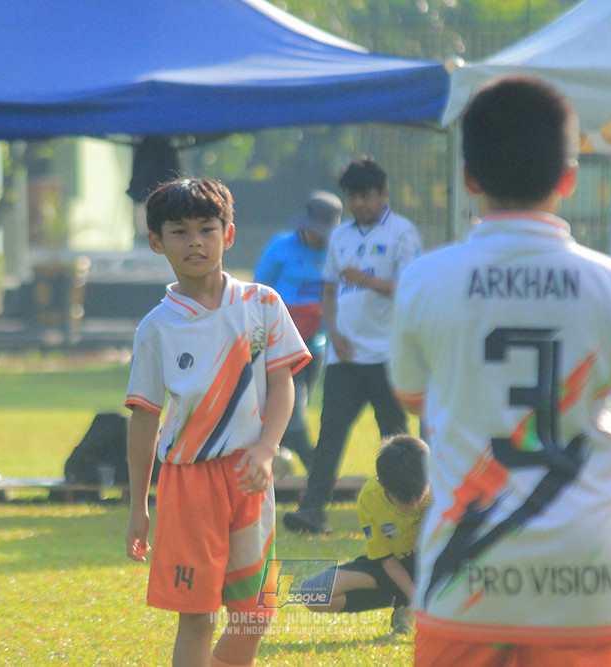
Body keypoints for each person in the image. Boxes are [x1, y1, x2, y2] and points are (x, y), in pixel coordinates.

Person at [389, 75, 611, 666]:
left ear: (469, 179)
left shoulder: (424, 280)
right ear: (570, 178)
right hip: (590, 580)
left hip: (465, 580)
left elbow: (412, 394)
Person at [124, 177, 312, 667]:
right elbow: (144, 418)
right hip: (189, 484)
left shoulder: (263, 303)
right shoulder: (156, 328)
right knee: (198, 617)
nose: (195, 242)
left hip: (251, 477)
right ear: (156, 242)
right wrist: (139, 504)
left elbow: (282, 383)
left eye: (207, 229)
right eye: (180, 232)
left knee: (255, 614)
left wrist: (268, 449)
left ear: (228, 234)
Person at [283, 157, 422, 535]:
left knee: (396, 439)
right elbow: (330, 290)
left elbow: (410, 288)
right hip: (344, 356)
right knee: (329, 436)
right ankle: (312, 511)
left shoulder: (402, 233)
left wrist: (367, 280)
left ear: (383, 193)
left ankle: (409, 510)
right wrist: (335, 333)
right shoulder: (340, 236)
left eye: (367, 195)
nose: (360, 203)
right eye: (353, 196)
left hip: (388, 355)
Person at [298, 434, 431, 635]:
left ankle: (425, 605)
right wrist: (416, 597)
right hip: (395, 565)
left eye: (419, 497)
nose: (413, 506)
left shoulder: (444, 486)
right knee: (312, 593)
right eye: (403, 500)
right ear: (382, 484)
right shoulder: (369, 497)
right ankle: (405, 603)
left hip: (435, 563)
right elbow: (385, 558)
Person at [253, 191, 342, 473]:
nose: (317, 237)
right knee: (293, 413)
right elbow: (259, 291)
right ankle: (318, 473)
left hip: (315, 344)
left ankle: (278, 467)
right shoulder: (280, 247)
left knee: (294, 408)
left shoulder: (336, 252)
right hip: (280, 344)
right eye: (313, 230)